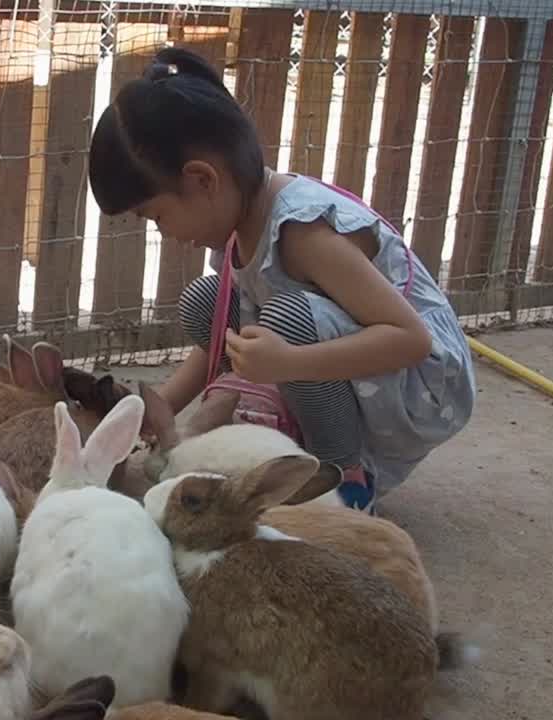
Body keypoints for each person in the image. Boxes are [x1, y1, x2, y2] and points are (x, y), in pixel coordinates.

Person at [87, 46, 476, 514]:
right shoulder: (238, 223)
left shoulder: (303, 233)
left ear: (203, 180)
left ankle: (343, 483)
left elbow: (410, 339)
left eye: (156, 216)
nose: (164, 232)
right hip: (352, 357)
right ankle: (299, 431)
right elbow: (225, 338)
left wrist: (288, 362)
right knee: (207, 301)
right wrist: (164, 404)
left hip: (423, 383)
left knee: (290, 318)